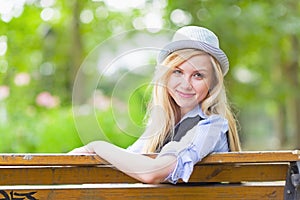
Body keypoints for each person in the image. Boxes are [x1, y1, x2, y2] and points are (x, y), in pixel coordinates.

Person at [69, 26, 241, 184]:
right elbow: (131, 156)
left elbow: (152, 173)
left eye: (198, 75)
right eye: (178, 72)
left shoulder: (210, 126)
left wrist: (96, 146)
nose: (185, 84)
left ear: (213, 83)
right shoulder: (163, 123)